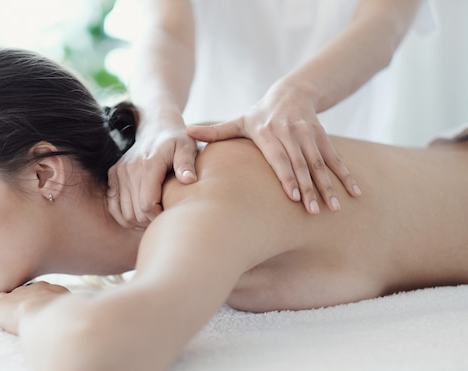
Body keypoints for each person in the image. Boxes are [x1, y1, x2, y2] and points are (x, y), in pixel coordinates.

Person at [0, 44, 468, 371]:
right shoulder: (151, 214)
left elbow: (90, 359)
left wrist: (25, 307)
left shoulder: (201, 196)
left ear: (45, 174)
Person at [107, 0, 431, 226]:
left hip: (336, 161)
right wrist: (156, 120)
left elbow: (385, 22)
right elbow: (167, 28)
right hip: (201, 163)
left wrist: (298, 93)